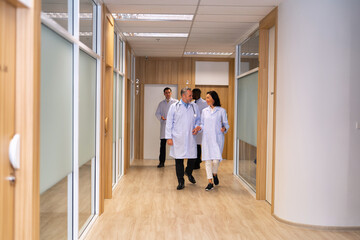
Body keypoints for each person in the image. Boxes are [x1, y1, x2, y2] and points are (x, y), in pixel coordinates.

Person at [165, 87, 201, 190]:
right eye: (189, 95)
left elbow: (198, 120)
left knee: (193, 157)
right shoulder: (174, 107)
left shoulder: (194, 106)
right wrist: (169, 137)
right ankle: (181, 181)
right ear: (183, 96)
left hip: (191, 137)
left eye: (191, 95)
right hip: (178, 137)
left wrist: (197, 127)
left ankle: (188, 172)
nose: (191, 97)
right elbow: (169, 123)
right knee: (179, 160)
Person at [193, 91, 229, 191]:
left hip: (217, 139)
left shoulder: (221, 111)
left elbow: (226, 124)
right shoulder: (204, 111)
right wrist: (199, 127)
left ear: (214, 98)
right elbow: (203, 124)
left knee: (216, 160)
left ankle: (214, 173)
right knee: (208, 161)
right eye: (206, 98)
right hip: (207, 139)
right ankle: (210, 182)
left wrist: (224, 128)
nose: (206, 100)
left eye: (208, 97)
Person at [155, 87, 178, 168]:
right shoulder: (161, 103)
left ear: (171, 93)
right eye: (166, 93)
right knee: (163, 146)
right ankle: (161, 162)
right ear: (164, 94)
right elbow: (157, 113)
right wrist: (161, 117)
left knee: (175, 146)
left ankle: (177, 162)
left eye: (169, 92)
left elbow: (179, 114)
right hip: (164, 127)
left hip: (174, 128)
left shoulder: (176, 102)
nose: (167, 94)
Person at [192, 88, 208, 169]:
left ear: (198, 94)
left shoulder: (204, 103)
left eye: (194, 94)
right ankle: (195, 161)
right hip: (193, 127)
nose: (192, 95)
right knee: (194, 145)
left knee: (198, 145)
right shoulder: (191, 103)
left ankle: (197, 162)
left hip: (201, 127)